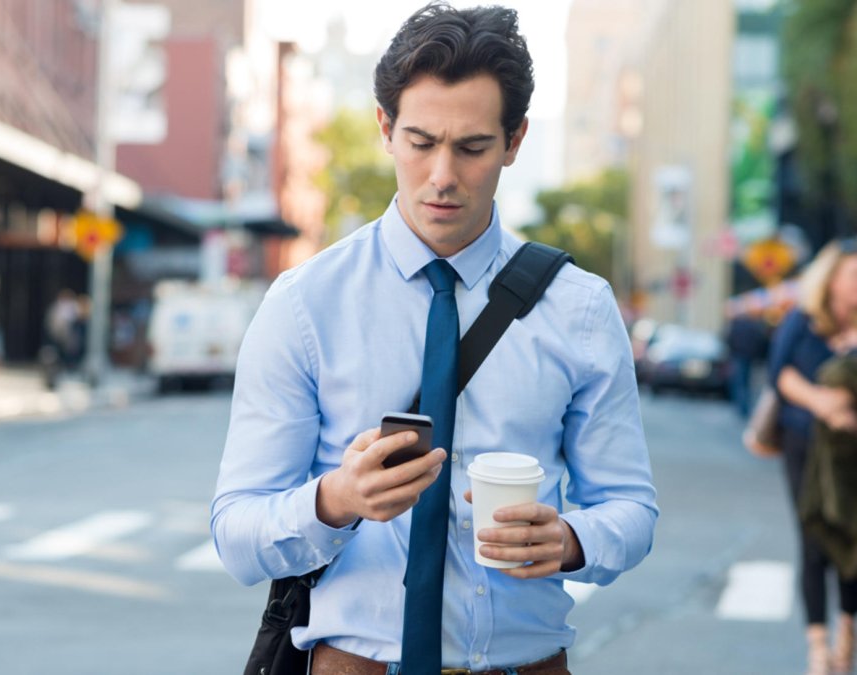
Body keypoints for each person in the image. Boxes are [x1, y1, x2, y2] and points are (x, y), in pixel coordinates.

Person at [211, 4, 658, 674]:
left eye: (473, 147)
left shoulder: (581, 308)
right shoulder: (306, 304)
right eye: (421, 142)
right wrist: (336, 499)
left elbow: (631, 507)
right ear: (386, 130)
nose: (443, 176)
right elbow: (237, 532)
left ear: (514, 141)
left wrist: (569, 539)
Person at [768, 238, 857, 675]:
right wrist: (822, 402)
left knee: (851, 539)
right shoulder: (804, 320)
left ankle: (847, 635)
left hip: (851, 453)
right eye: (854, 274)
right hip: (805, 446)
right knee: (814, 538)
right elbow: (778, 372)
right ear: (833, 278)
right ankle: (819, 648)